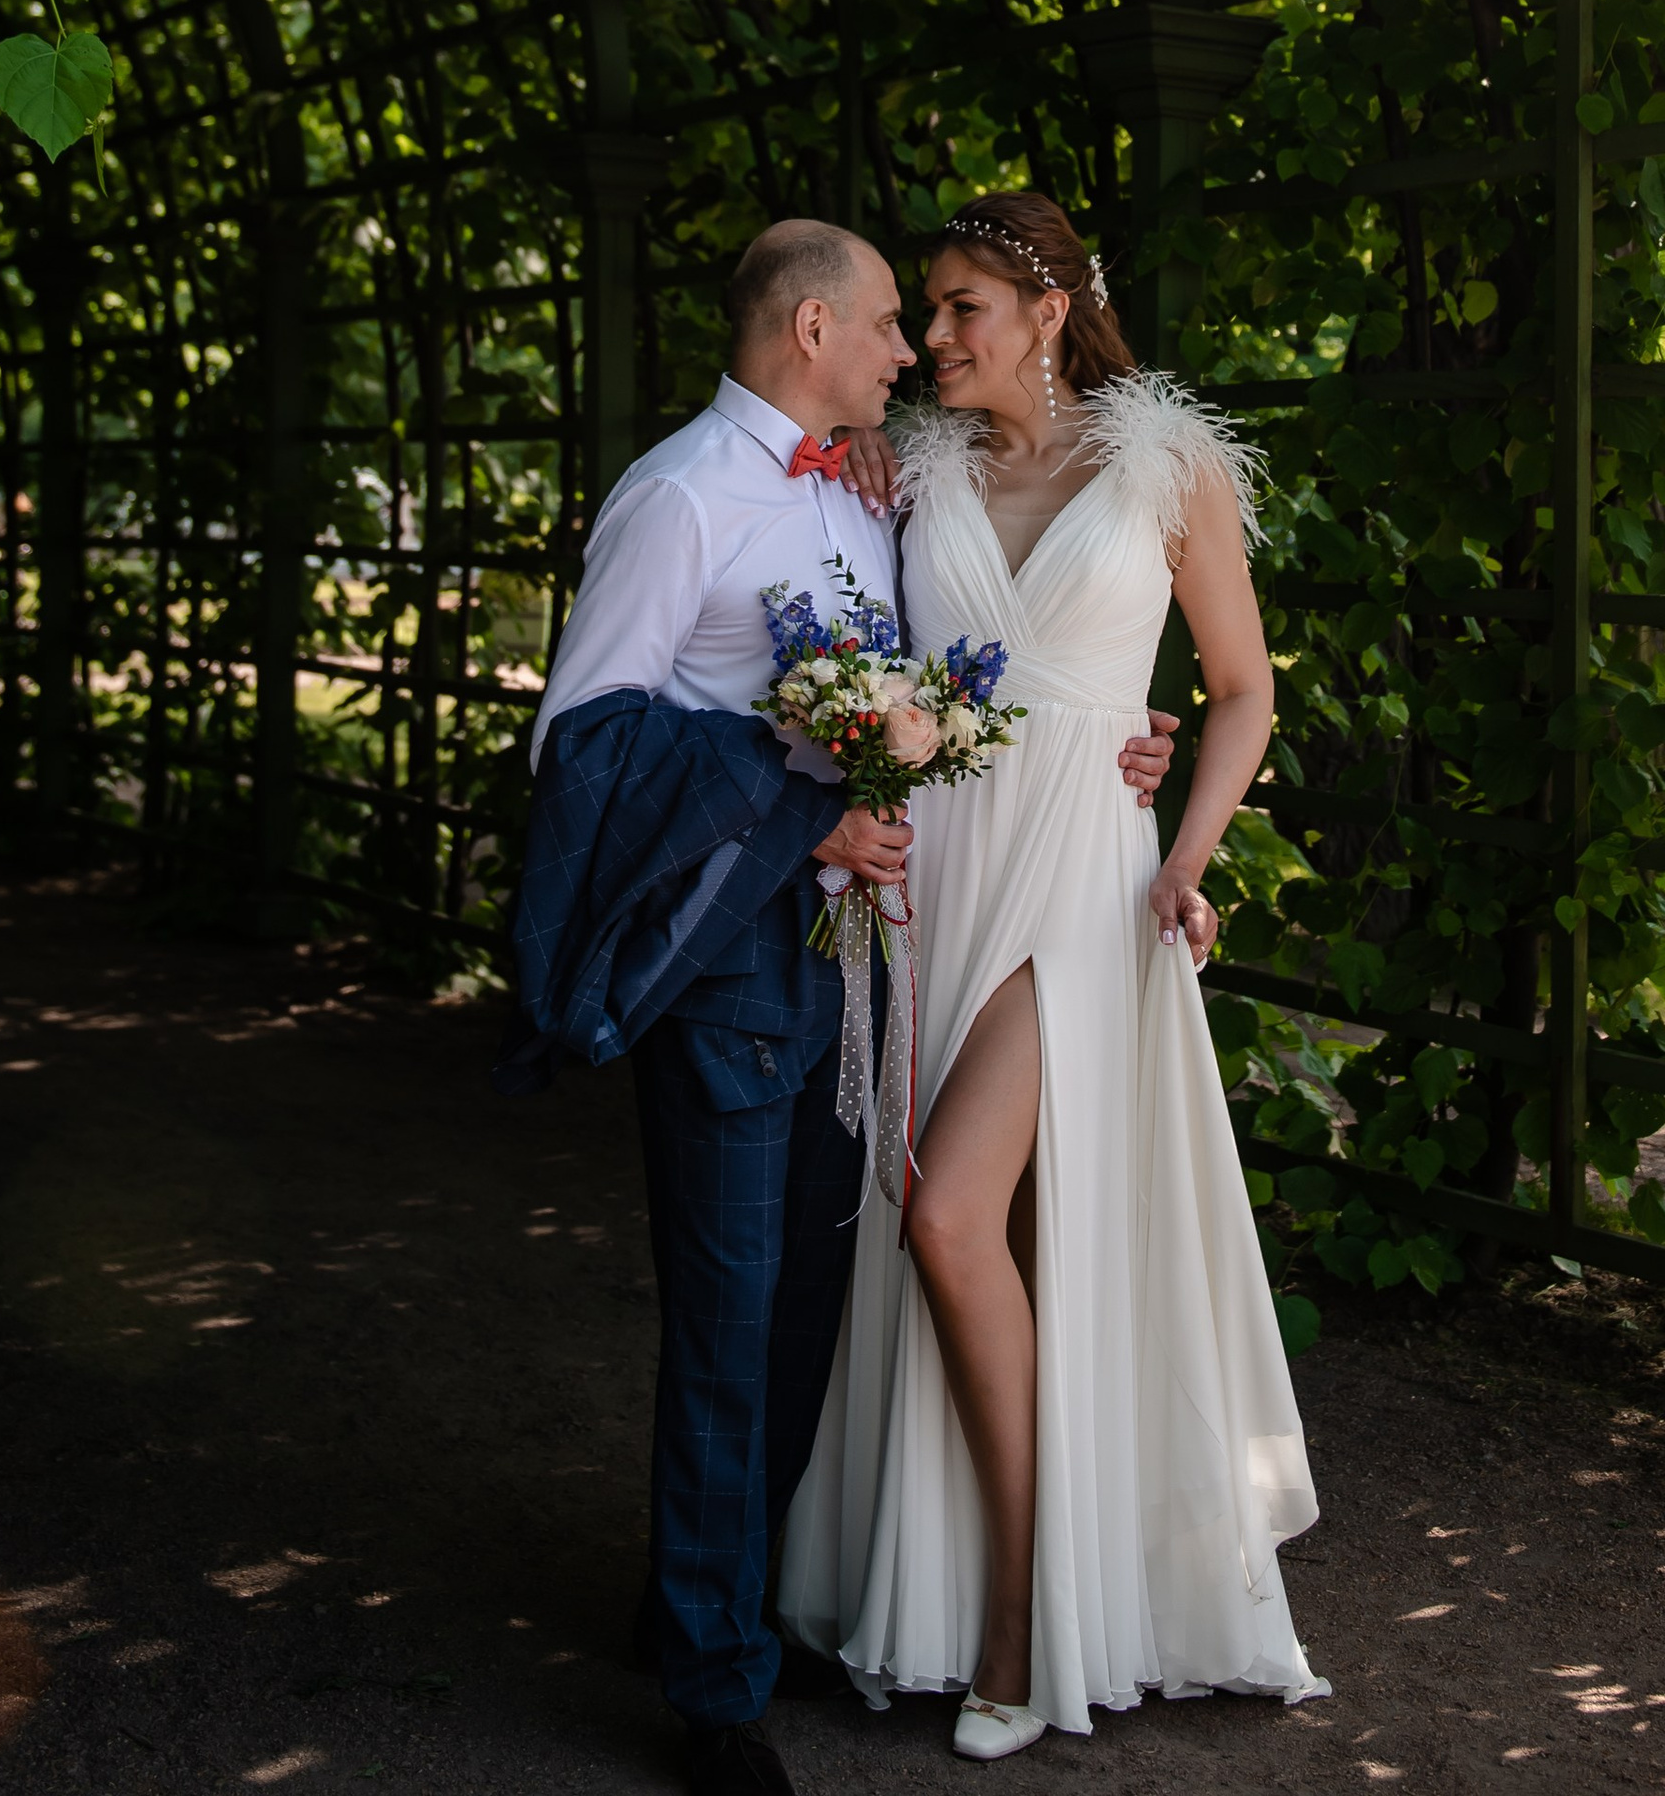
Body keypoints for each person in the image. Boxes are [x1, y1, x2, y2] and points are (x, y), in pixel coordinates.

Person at [508, 216, 1173, 1796]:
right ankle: (716, 1693)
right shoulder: (677, 497)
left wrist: (1123, 725)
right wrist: (797, 808)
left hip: (863, 964)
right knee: (730, 1324)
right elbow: (581, 747)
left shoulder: (873, 486)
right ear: (810, 328)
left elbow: (976, 654)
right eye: (887, 324)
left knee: (807, 1311)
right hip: (730, 967)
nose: (910, 352)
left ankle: (720, 1602)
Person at [778, 193, 1327, 1758]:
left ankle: (1021, 1614)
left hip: (1083, 885)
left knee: (944, 1209)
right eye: (925, 311)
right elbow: (866, 665)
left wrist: (1188, 851)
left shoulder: (1168, 467)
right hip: (938, 876)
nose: (931, 339)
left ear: (1047, 306)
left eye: (958, 308)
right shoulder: (910, 473)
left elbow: (1239, 690)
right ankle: (958, 1595)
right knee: (982, 1237)